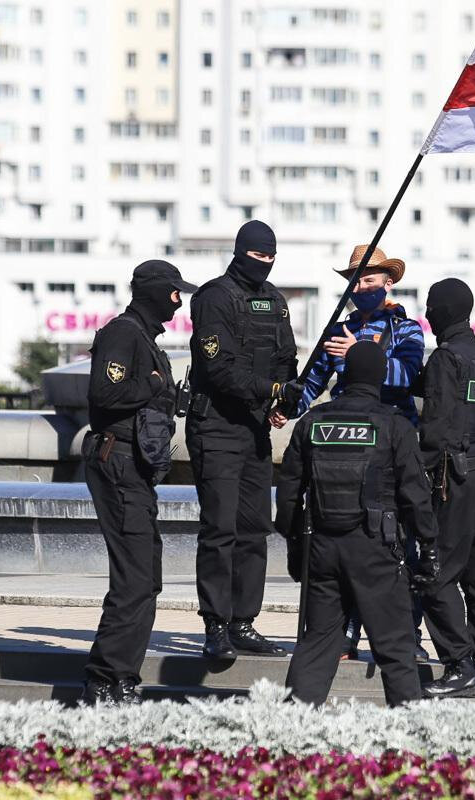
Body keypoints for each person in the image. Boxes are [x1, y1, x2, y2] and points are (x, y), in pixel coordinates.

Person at [277, 341, 439, 706]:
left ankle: (289, 727)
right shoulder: (394, 425)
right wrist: (429, 548)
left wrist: (295, 547)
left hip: (322, 549)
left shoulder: (312, 422)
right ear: (380, 377)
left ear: (346, 375)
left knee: (318, 641)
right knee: (395, 645)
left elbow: (288, 494)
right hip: (375, 548)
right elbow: (416, 496)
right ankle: (409, 730)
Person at [295, 245, 428, 662]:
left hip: (392, 443)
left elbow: (408, 376)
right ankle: (344, 634)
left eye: (368, 280)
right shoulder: (338, 327)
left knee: (401, 544)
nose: (360, 288)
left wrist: (358, 353)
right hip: (344, 447)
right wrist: (286, 407)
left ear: (388, 283)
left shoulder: (406, 329)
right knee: (345, 541)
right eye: (355, 280)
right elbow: (313, 381)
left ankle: (406, 634)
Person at [81, 260, 197, 706]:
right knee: (135, 577)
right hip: (119, 461)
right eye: (175, 292)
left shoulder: (145, 339)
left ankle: (121, 678)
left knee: (145, 577)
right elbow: (104, 393)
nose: (179, 301)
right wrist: (152, 386)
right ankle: (104, 682)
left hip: (137, 466)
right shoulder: (123, 334)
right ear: (155, 292)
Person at [187, 220, 299, 659]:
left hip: (255, 428)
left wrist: (283, 399)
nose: (264, 264)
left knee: (254, 529)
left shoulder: (275, 301)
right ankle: (215, 625)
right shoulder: (213, 297)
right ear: (240, 253)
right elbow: (220, 369)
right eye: (257, 256)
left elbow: (286, 358)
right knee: (220, 528)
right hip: (216, 426)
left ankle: (243, 622)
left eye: (271, 257)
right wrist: (270, 389)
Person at [417, 278, 475, 700]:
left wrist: (415, 480)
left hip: (455, 479)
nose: (428, 314)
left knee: (434, 573)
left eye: (431, 307)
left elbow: (436, 431)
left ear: (443, 311)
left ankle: (459, 665)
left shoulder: (446, 359)